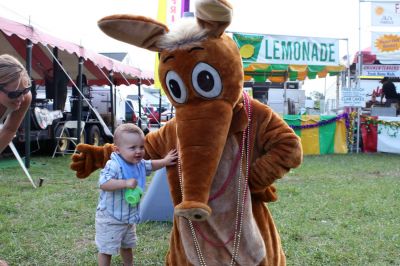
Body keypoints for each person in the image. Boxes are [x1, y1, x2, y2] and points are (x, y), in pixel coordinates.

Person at [95, 123, 177, 266]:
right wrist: (124, 183)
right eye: (132, 148)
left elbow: (151, 165)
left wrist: (165, 161)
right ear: (117, 149)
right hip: (110, 217)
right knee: (106, 249)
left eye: (141, 147)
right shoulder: (114, 165)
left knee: (128, 245)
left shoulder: (139, 163)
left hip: (128, 217)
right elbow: (104, 183)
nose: (138, 151)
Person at [0, 54, 32, 154]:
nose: (21, 98)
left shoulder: (26, 97)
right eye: (15, 94)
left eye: (25, 90)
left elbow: (10, 129)